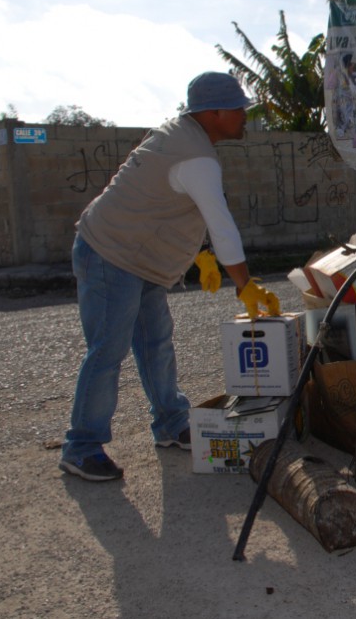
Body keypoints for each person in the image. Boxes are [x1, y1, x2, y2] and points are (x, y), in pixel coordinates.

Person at [59, 71, 282, 482]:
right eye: (238, 110)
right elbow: (222, 222)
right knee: (108, 351)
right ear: (214, 113)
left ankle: (170, 424)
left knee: (155, 343)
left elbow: (160, 202)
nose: (244, 117)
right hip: (111, 253)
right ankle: (82, 447)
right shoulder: (196, 157)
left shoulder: (180, 136)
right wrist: (244, 285)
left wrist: (201, 256)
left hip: (134, 257)